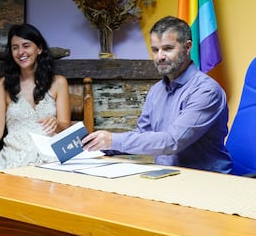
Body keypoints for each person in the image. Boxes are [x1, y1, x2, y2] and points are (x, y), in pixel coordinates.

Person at [82, 16, 232, 173]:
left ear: (187, 47)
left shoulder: (206, 91)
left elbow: (172, 141)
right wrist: (101, 145)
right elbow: (143, 136)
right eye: (155, 49)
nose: (160, 57)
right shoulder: (156, 91)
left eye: (168, 48)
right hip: (167, 176)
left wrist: (112, 140)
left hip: (207, 182)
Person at [0, 23, 71, 170]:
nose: (21, 52)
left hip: (51, 157)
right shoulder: (3, 85)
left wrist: (57, 123)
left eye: (26, 45)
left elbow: (65, 126)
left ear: (39, 49)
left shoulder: (59, 83)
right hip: (15, 157)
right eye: (15, 47)